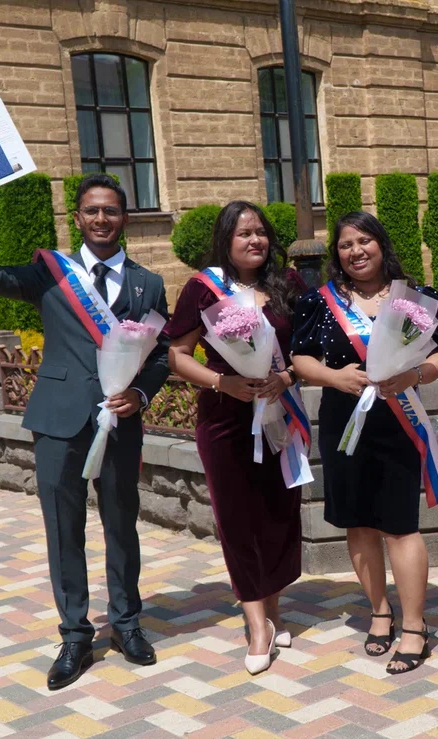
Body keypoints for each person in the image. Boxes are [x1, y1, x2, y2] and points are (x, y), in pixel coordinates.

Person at [0, 163, 171, 690]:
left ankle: (126, 623)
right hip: (58, 421)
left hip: (120, 421)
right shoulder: (50, 274)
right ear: (78, 217)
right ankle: (75, 635)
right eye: (92, 210)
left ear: (124, 218)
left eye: (111, 211)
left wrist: (140, 394)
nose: (101, 219)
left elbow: (160, 354)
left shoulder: (149, 283)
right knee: (63, 529)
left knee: (121, 526)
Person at [292, 212, 438, 674]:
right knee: (358, 522)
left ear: (381, 245)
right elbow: (299, 357)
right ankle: (380, 612)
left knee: (401, 525)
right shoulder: (319, 302)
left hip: (399, 419)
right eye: (346, 245)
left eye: (364, 241)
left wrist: (416, 374)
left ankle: (415, 626)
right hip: (344, 421)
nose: (356, 251)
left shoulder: (416, 298)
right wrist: (333, 377)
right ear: (337, 254)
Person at [165, 201, 308, 676]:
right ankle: (256, 624)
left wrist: (286, 377)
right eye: (243, 233)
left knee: (277, 513)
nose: (254, 240)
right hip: (225, 419)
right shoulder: (203, 288)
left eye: (260, 232)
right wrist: (221, 382)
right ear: (225, 241)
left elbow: (307, 347)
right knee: (237, 519)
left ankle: (275, 607)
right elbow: (178, 353)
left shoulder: (287, 283)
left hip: (280, 414)